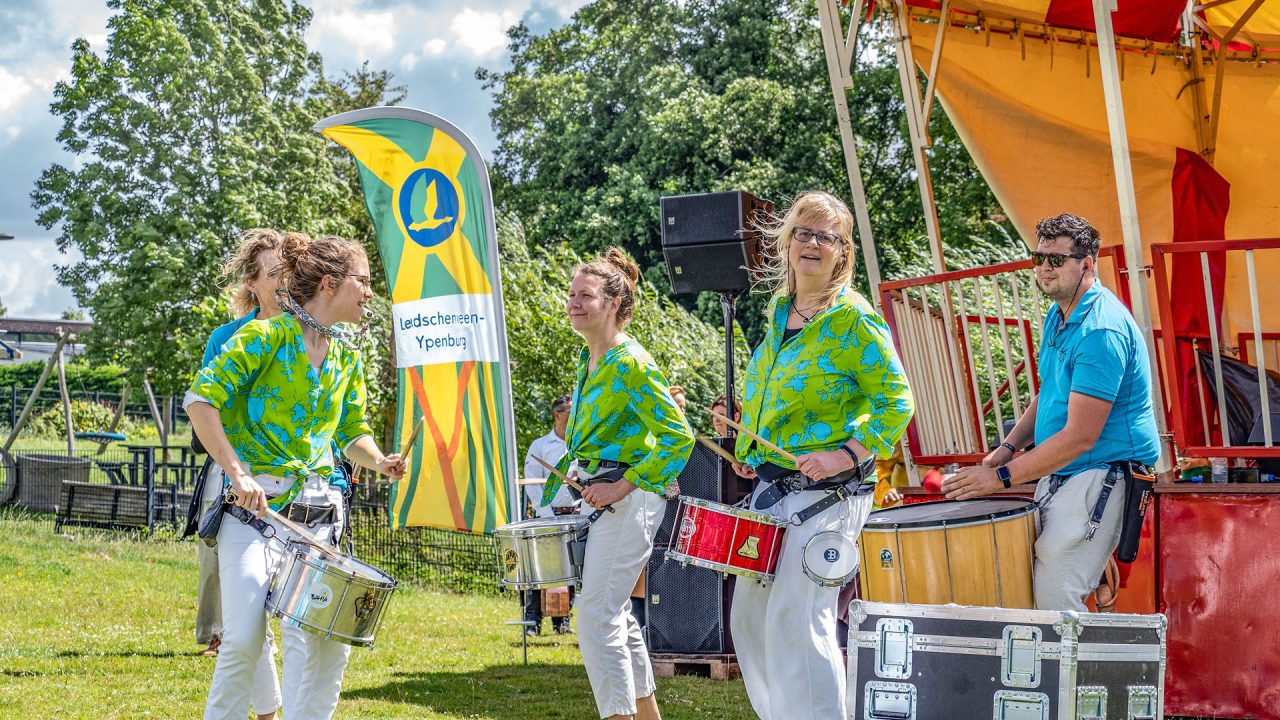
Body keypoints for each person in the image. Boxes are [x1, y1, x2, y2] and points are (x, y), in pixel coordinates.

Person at [185, 232, 406, 720]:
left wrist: (380, 460)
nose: (369, 292)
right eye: (363, 281)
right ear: (330, 283)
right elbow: (200, 403)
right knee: (241, 639)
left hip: (320, 519)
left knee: (327, 649)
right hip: (254, 514)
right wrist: (237, 474)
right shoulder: (263, 337)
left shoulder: (346, 356)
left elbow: (351, 431)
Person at [728, 191, 914, 720]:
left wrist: (847, 454)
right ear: (786, 242)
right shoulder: (779, 311)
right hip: (774, 487)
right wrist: (748, 444)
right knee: (750, 615)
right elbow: (771, 389)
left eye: (826, 237)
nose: (812, 244)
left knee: (799, 616)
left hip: (829, 494)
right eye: (803, 233)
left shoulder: (853, 319)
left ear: (842, 252)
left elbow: (898, 399)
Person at [942, 213, 1159, 611]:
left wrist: (1000, 479)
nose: (1044, 268)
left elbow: (1080, 436)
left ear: (1087, 264)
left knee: (1056, 599)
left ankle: (1081, 675)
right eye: (1038, 258)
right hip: (1069, 473)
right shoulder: (1060, 314)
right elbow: (1050, 394)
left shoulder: (1100, 329)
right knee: (1040, 593)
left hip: (1101, 471)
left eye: (1056, 260)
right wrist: (1004, 450)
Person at [545, 246, 693, 720]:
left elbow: (678, 437)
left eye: (584, 295)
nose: (572, 302)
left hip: (630, 503)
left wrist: (620, 486)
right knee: (615, 615)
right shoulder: (593, 359)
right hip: (606, 500)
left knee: (594, 616)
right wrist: (580, 468)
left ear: (612, 304)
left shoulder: (631, 361)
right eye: (571, 294)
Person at [190, 229, 289, 719]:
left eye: (290, 271)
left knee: (270, 613)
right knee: (245, 613)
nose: (285, 281)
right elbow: (205, 408)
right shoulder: (225, 339)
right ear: (252, 282)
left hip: (296, 487)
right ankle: (270, 714)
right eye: (274, 273)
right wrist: (236, 468)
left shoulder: (312, 334)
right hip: (236, 475)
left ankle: (272, 713)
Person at [522, 393, 578, 635]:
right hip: (548, 515)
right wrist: (546, 512)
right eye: (570, 412)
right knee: (541, 569)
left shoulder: (580, 445)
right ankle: (533, 621)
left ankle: (562, 620)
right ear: (558, 415)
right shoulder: (540, 446)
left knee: (571, 568)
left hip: (575, 513)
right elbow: (533, 484)